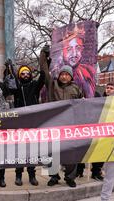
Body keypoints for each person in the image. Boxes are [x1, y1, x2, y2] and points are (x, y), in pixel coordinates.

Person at [40, 48, 84, 188]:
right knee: (51, 151)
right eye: (62, 74)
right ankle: (53, 176)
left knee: (71, 153)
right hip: (53, 124)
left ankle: (70, 177)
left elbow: (82, 106)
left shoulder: (76, 89)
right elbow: (44, 71)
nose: (64, 76)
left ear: (71, 77)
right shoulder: (52, 85)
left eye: (67, 74)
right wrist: (43, 54)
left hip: (70, 126)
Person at [4, 58, 45, 187]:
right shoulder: (17, 86)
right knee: (20, 151)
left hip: (33, 122)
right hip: (19, 122)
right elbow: (9, 83)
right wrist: (8, 69)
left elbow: (43, 78)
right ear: (19, 75)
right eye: (23, 73)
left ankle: (32, 175)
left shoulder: (34, 85)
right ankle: (18, 175)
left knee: (32, 151)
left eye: (27, 73)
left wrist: (45, 59)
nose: (25, 75)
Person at [60, 24, 96, 98]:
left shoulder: (88, 72)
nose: (74, 54)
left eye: (78, 48)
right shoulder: (55, 76)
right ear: (62, 51)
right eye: (69, 49)